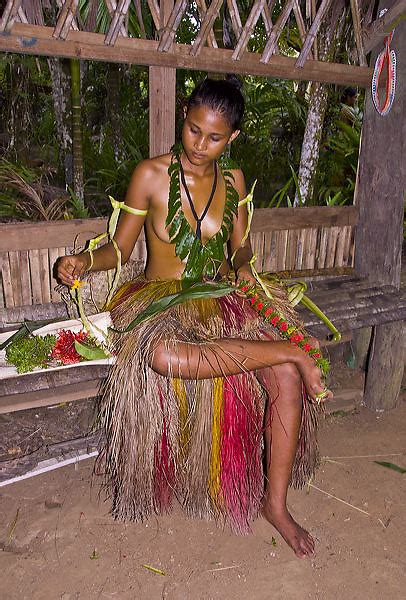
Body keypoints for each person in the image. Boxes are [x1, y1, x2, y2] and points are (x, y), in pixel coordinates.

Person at [57, 77, 332, 559]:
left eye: (214, 137)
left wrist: (244, 263)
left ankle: (277, 505)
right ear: (182, 118)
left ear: (233, 138)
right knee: (163, 355)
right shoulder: (150, 174)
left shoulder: (235, 182)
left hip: (222, 296)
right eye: (192, 130)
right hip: (161, 299)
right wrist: (84, 260)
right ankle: (292, 347)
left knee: (287, 381)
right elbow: (120, 249)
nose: (200, 145)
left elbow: (240, 244)